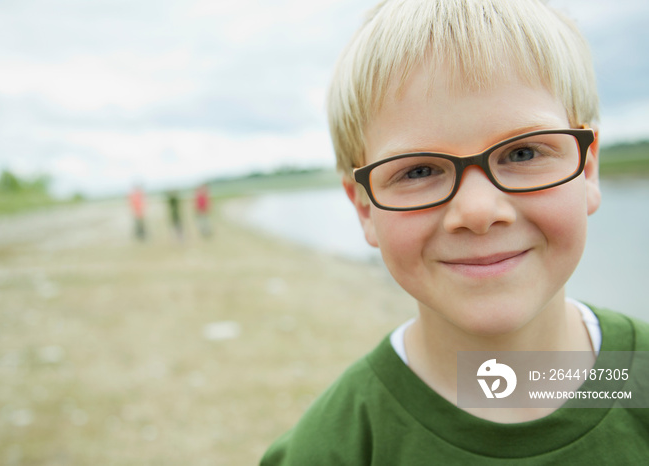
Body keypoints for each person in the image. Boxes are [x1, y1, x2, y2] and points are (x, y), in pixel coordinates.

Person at [261, 0, 649, 464]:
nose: (478, 211)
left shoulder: (636, 380)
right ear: (364, 209)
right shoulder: (338, 446)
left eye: (523, 153)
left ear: (587, 170)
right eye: (419, 169)